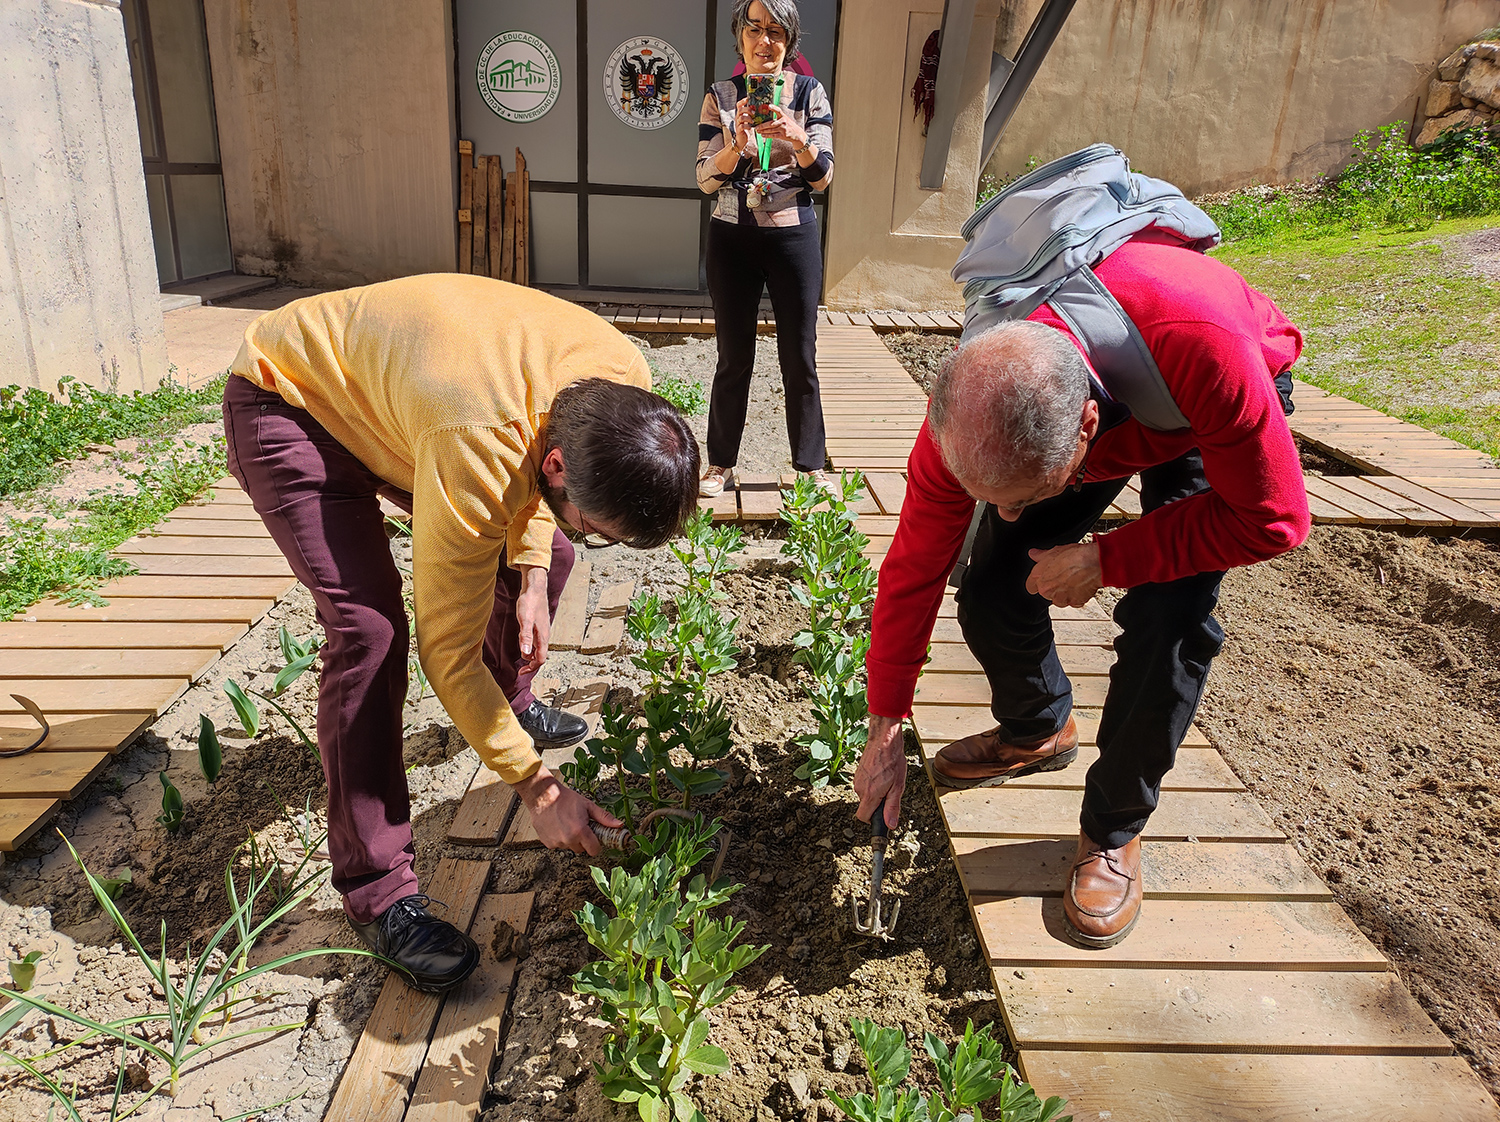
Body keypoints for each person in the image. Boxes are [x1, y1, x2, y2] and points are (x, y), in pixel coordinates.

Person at [223, 275, 700, 991]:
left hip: (413, 400)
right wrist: (538, 790)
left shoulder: (624, 377)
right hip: (291, 400)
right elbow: (446, 654)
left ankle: (512, 697)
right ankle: (379, 893)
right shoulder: (478, 442)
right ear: (555, 466)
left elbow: (540, 491)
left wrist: (537, 569)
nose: (595, 538)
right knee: (368, 631)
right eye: (602, 528)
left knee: (550, 551)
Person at [851, 238, 1310, 949]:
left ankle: (1113, 830)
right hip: (1084, 390)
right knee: (996, 582)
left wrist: (1107, 557)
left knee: (1169, 616)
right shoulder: (971, 412)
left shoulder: (1208, 355)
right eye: (989, 498)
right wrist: (886, 723)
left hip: (1194, 404)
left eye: (1023, 496)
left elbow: (1274, 520)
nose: (1007, 514)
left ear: (1086, 437)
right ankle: (1038, 726)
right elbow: (914, 565)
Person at [696, 0, 834, 497]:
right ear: (740, 39)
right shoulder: (721, 96)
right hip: (731, 236)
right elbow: (705, 179)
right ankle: (720, 464)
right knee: (734, 355)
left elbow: (823, 179)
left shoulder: (810, 93)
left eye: (776, 31)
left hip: (792, 234)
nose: (764, 41)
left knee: (800, 355)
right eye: (754, 29)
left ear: (790, 42)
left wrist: (798, 139)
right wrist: (736, 144)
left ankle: (810, 466)